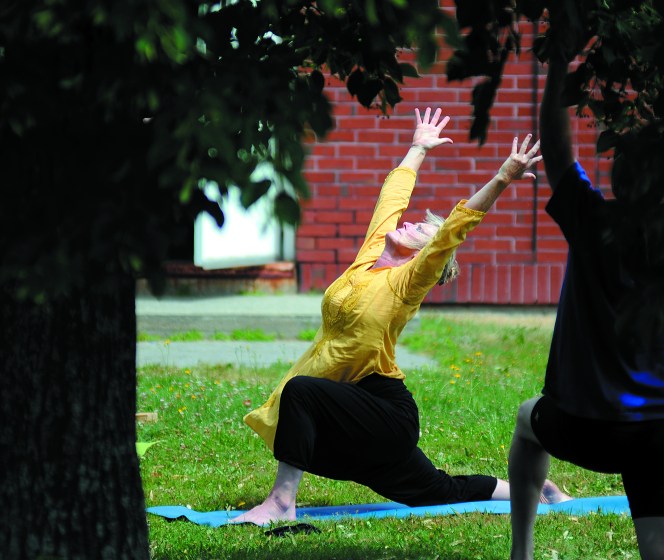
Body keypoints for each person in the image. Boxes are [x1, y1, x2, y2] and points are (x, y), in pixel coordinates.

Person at [231, 107, 570, 526]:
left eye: (420, 232)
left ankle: (281, 502)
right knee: (438, 491)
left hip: (385, 412)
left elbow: (452, 233)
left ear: (425, 255)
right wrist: (418, 148)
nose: (410, 224)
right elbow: (392, 199)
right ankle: (540, 489)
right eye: (415, 224)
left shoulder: (406, 284)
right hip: (356, 409)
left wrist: (501, 179)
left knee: (302, 392)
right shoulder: (369, 259)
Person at [506, 18, 664, 560]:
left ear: (619, 181)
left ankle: (521, 554)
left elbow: (557, 154)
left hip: (590, 426)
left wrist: (562, 60)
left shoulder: (595, 223)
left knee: (525, 420)